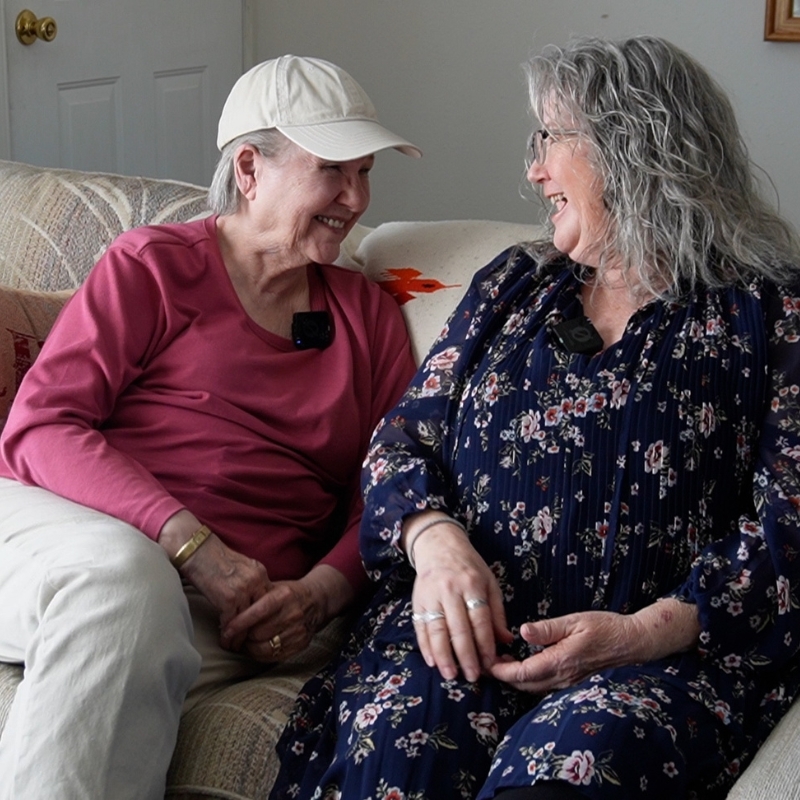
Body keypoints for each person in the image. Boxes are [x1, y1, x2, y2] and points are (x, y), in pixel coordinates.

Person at [269, 36, 800, 800]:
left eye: (550, 139)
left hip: (647, 665)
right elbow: (404, 438)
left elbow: (791, 522)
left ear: (633, 145)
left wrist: (648, 631)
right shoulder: (518, 283)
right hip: (461, 637)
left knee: (564, 773)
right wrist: (435, 542)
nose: (533, 168)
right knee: (398, 761)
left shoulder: (770, 311)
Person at [0, 55, 420, 799]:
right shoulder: (154, 268)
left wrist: (316, 595)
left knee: (134, 621)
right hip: (71, 531)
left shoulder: (368, 320)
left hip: (219, 608)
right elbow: (40, 428)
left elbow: (387, 493)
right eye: (333, 171)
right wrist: (195, 548)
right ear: (251, 169)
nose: (355, 199)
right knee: (126, 584)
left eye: (365, 174)